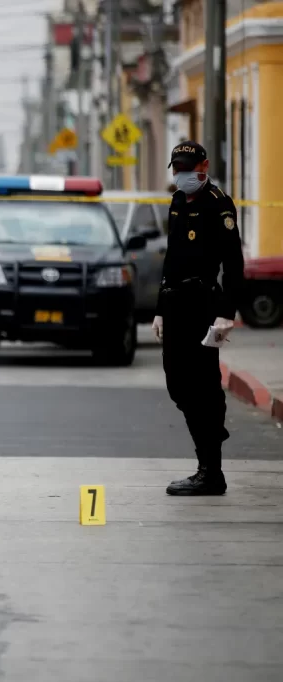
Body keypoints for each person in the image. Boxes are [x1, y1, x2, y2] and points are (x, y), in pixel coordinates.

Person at [153, 141, 244, 496]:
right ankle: (211, 434)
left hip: (204, 305)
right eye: (177, 169)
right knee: (177, 384)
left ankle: (210, 470)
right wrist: (160, 308)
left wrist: (226, 313)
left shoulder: (218, 204)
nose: (182, 175)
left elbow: (234, 264)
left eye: (189, 168)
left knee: (204, 386)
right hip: (175, 305)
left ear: (203, 165)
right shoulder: (177, 202)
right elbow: (171, 260)